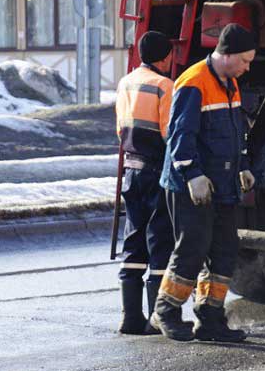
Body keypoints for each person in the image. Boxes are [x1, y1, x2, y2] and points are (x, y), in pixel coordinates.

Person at [150, 23, 257, 343]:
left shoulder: (230, 83)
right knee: (192, 248)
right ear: (226, 55)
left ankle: (210, 318)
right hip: (190, 184)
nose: (247, 67)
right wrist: (193, 174)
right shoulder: (194, 82)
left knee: (224, 250)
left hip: (222, 183)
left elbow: (237, 131)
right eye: (245, 61)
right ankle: (165, 311)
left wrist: (244, 164)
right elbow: (180, 135)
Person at [114, 31, 175, 335]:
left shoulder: (126, 82)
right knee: (159, 239)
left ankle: (130, 318)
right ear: (165, 57)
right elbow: (169, 134)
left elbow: (119, 128)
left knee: (133, 239)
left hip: (131, 170)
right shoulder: (165, 86)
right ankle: (156, 318)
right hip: (156, 171)